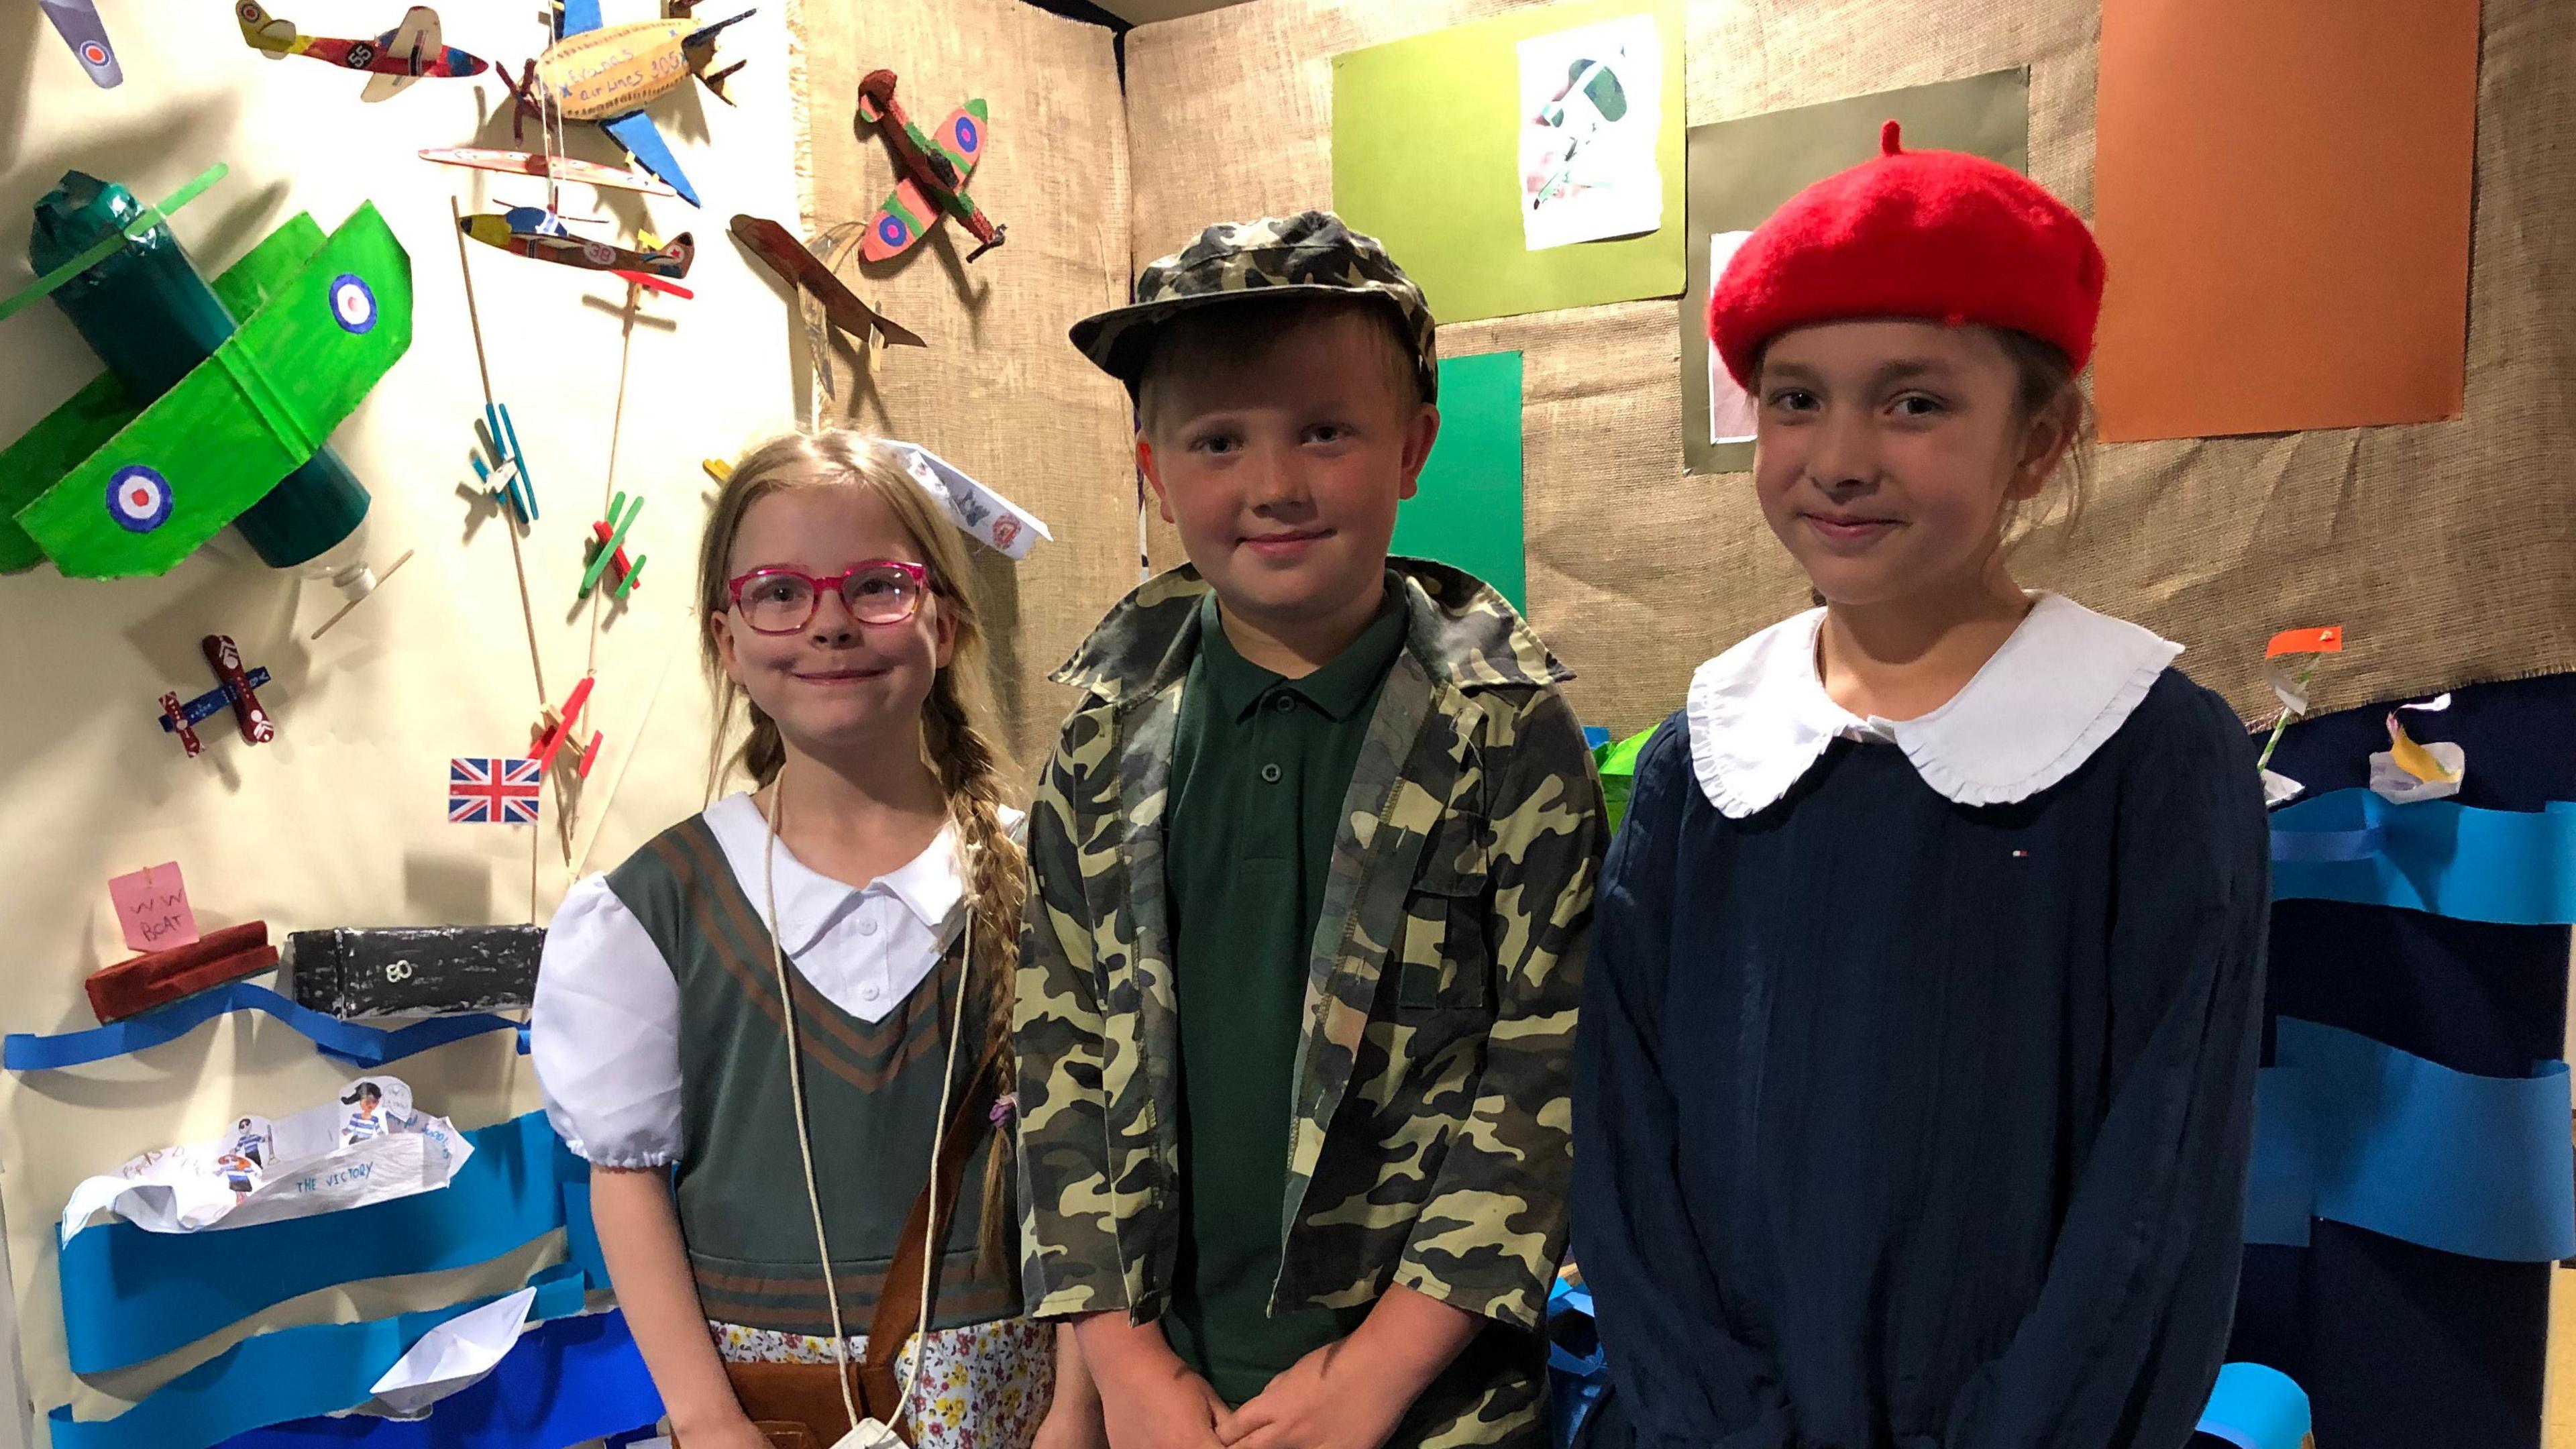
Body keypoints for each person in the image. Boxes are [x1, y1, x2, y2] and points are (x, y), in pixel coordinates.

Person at [1571, 122, 2270, 1449]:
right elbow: (1625, 1148)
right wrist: (1717, 1422)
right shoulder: (1702, 759)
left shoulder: (2148, 755)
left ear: (2039, 441)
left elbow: (2162, 1184)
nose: (1841, 456)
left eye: (1915, 402)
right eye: (1795, 398)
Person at [1018, 212, 1606, 1449]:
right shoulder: (1104, 735)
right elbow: (1060, 1047)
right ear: (1153, 469)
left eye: (1325, 432)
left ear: (1413, 448)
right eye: (1219, 441)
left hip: (1428, 1404)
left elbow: (1550, 1059)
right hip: (1167, 1394)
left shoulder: (1505, 731)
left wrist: (1374, 1379)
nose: (1275, 485)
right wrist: (1123, 1366)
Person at [531, 431, 1076, 1449]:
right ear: (728, 638)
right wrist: (704, 1420)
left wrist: (1078, 1414)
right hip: (763, 1418)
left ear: (945, 624)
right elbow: (629, 1179)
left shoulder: (1047, 880)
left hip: (1021, 1407)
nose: (828, 623)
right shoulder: (653, 911)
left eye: (877, 584)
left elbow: (1094, 1174)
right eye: (780, 592)